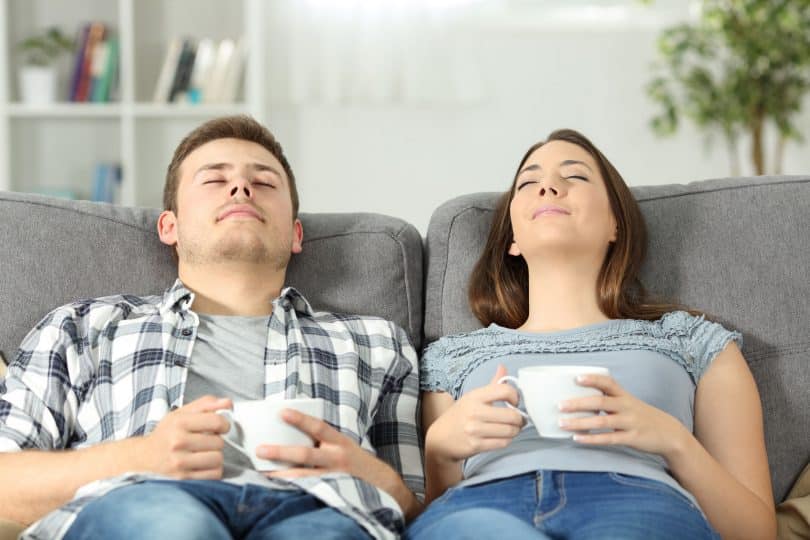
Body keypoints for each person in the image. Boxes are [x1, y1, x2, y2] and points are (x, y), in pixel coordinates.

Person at [0, 115, 423, 540]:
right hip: (149, 501)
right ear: (170, 226)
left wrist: (375, 478)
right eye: (214, 180)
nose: (241, 188)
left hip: (322, 510)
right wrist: (143, 456)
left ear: (296, 234)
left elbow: (421, 511)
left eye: (265, 182)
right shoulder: (83, 328)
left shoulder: (378, 343)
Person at [407, 129, 775, 540]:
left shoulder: (694, 342)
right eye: (528, 182)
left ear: (615, 224)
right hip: (481, 505)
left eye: (575, 177)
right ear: (512, 239)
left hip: (639, 503)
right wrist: (439, 451)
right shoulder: (451, 358)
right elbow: (433, 510)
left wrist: (673, 441)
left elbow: (756, 533)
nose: (547, 186)